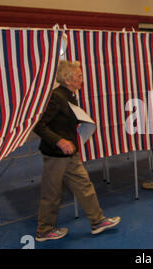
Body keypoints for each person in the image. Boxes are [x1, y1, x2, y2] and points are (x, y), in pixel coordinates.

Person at [33, 60, 120, 242]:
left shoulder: (70, 96)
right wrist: (59, 141)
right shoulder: (56, 97)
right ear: (68, 79)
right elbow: (39, 126)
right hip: (55, 154)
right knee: (52, 193)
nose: (82, 79)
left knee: (84, 185)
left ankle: (97, 221)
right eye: (79, 76)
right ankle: (44, 230)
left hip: (69, 153)